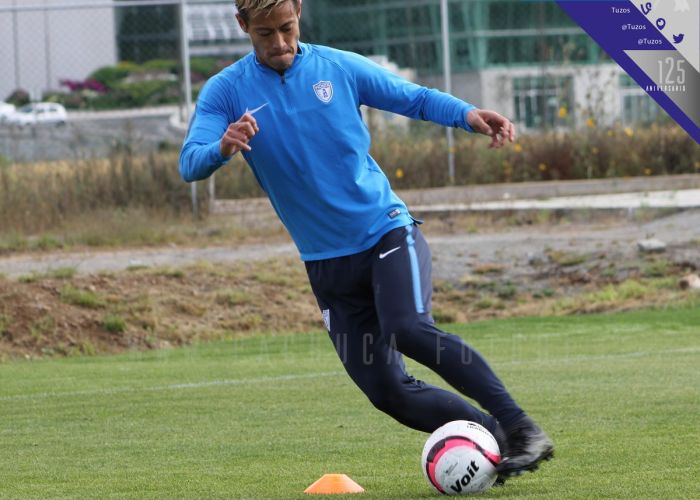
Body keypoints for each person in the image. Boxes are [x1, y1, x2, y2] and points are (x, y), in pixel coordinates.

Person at [179, 0, 553, 482]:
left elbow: (411, 97)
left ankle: (522, 428)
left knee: (409, 328)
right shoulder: (226, 92)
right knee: (387, 391)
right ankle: (493, 441)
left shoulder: (337, 67)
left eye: (287, 29)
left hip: (386, 233)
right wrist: (221, 148)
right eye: (265, 34)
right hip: (327, 266)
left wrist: (467, 115)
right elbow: (190, 162)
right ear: (242, 27)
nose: (279, 44)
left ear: (299, 14)